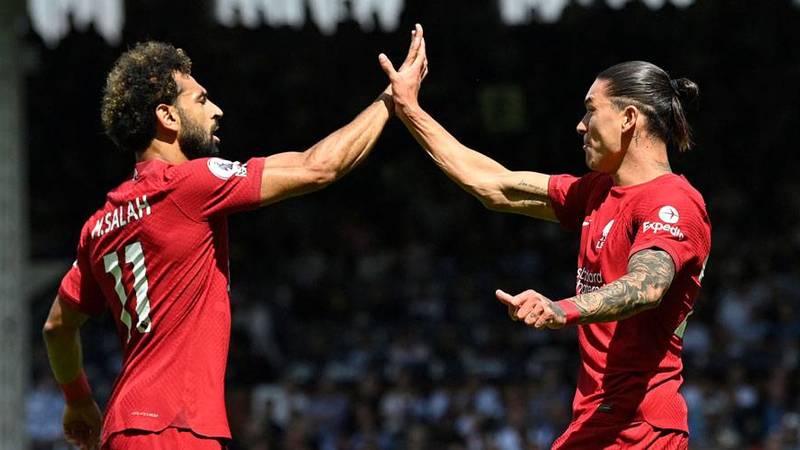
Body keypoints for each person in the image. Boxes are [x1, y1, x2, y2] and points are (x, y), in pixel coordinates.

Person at [43, 25, 426, 450]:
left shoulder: (99, 225)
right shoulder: (190, 184)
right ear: (168, 116)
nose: (217, 110)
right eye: (201, 100)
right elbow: (319, 167)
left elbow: (57, 327)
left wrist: (78, 399)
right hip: (177, 427)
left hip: (124, 427)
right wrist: (391, 100)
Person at [380, 34, 711, 449]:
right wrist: (409, 109)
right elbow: (495, 185)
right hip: (600, 423)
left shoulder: (672, 201)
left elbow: (646, 287)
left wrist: (560, 309)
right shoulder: (597, 192)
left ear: (629, 118)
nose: (581, 125)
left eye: (591, 110)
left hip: (641, 429)